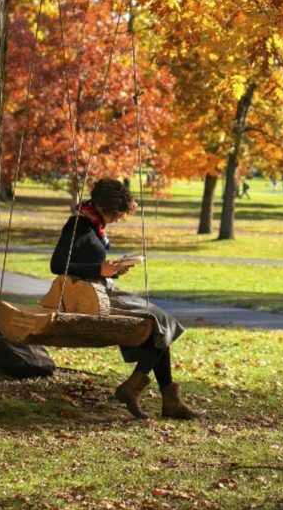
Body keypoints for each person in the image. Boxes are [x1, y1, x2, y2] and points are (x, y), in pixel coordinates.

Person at [51, 178, 197, 420]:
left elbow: (89, 261)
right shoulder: (77, 224)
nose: (119, 219)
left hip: (102, 285)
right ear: (109, 208)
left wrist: (114, 268)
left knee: (161, 324)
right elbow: (57, 265)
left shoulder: (94, 225)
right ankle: (136, 390)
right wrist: (101, 270)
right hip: (89, 294)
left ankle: (166, 401)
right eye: (119, 214)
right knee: (160, 323)